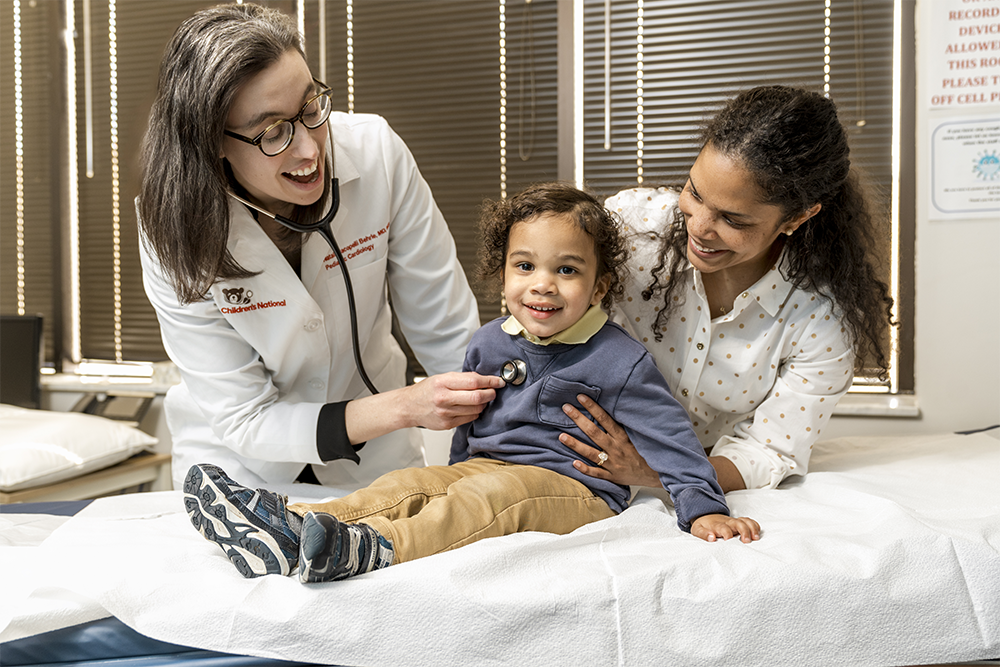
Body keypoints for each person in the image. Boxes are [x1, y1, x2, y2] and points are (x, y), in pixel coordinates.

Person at [183, 183, 761, 582]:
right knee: (416, 484)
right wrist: (450, 471)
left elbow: (673, 440)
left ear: (601, 285)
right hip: (484, 466)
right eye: (525, 266)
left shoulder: (620, 360)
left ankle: (370, 549)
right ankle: (288, 525)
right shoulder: (489, 343)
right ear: (502, 271)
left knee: (487, 501)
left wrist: (701, 506)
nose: (543, 285)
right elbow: (471, 428)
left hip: (572, 489)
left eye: (567, 270)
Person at [137, 3, 502, 491]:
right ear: (211, 141)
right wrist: (403, 406)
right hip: (244, 468)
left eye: (310, 110)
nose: (310, 150)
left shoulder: (376, 155)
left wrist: (502, 446)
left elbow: (447, 332)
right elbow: (246, 418)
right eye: (273, 133)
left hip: (373, 461)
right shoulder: (172, 226)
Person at [559, 85, 895, 494]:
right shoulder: (630, 228)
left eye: (733, 219)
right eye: (694, 193)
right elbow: (538, 298)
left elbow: (770, 452)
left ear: (797, 218)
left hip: (691, 473)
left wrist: (652, 473)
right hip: (562, 444)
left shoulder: (820, 319)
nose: (698, 227)